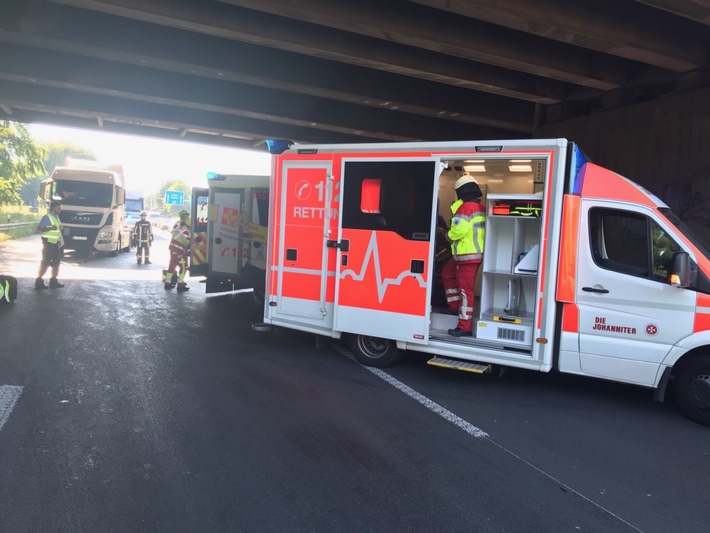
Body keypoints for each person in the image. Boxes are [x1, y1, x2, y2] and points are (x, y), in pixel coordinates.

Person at [441, 175, 485, 337]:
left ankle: (464, 326)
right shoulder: (480, 207)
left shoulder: (465, 208)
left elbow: (457, 232)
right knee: (447, 273)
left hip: (466, 255)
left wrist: (446, 235)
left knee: (466, 291)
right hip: (469, 255)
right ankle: (455, 308)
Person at [35, 200, 65, 289]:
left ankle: (53, 281)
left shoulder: (56, 217)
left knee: (56, 262)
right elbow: (39, 228)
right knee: (45, 262)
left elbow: (57, 229)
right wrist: (50, 228)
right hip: (48, 243)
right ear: (54, 208)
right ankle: (39, 281)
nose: (60, 210)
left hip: (55, 243)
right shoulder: (47, 217)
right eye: (59, 208)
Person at [163, 209, 191, 292]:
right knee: (183, 267)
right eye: (185, 215)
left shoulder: (177, 224)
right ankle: (180, 285)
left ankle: (167, 283)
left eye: (187, 215)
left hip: (173, 248)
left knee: (172, 265)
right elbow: (186, 237)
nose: (186, 217)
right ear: (182, 216)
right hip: (180, 249)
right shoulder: (183, 225)